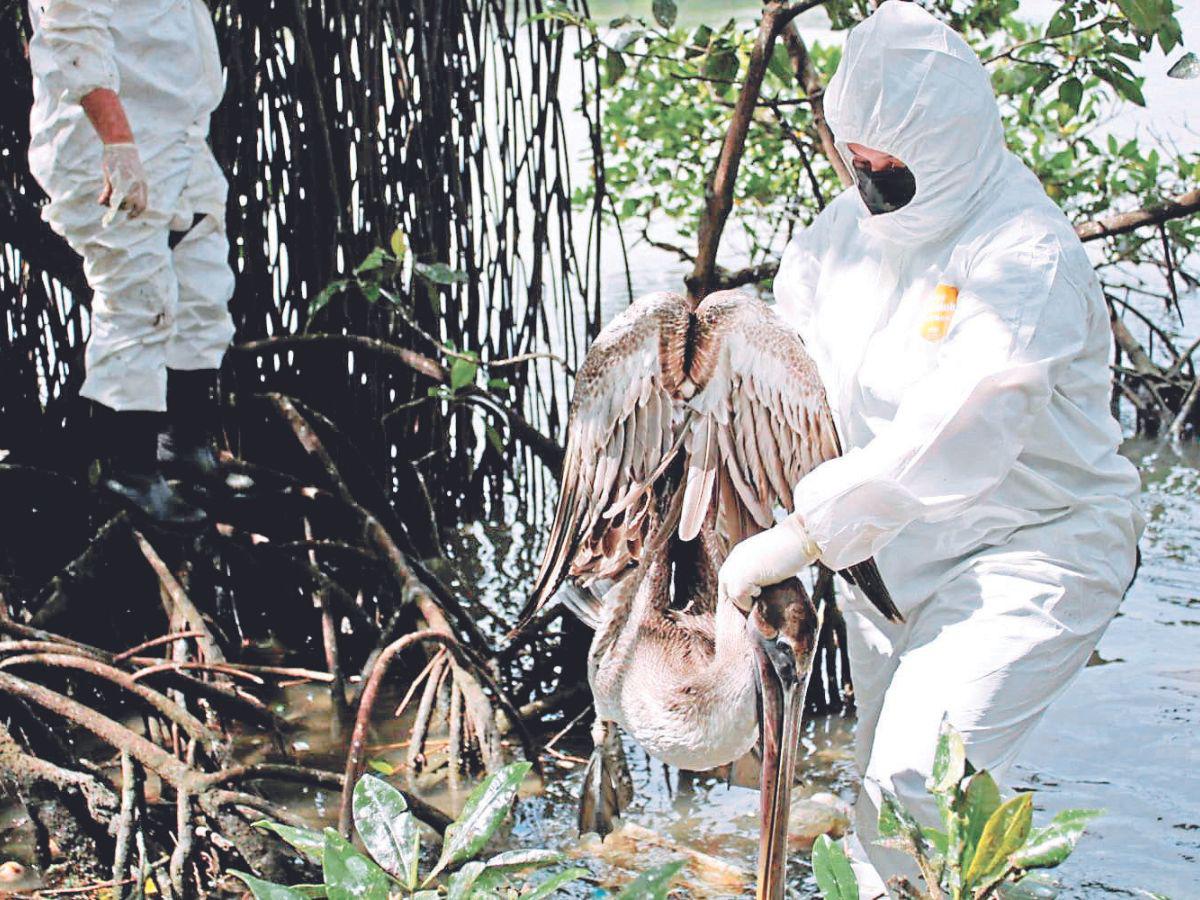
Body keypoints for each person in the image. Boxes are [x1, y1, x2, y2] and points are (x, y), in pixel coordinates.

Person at [716, 2, 1143, 895]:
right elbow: (793, 391)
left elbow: (960, 431)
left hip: (1032, 553)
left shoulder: (1024, 253)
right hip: (887, 565)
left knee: (911, 788)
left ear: (945, 148)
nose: (863, 182)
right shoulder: (835, 241)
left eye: (886, 169)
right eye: (852, 159)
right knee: (912, 820)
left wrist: (799, 537)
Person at [27, 0, 235, 525]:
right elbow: (72, 32)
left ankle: (186, 447)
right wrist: (118, 142)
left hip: (177, 136)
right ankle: (131, 471)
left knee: (202, 282)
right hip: (106, 144)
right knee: (137, 295)